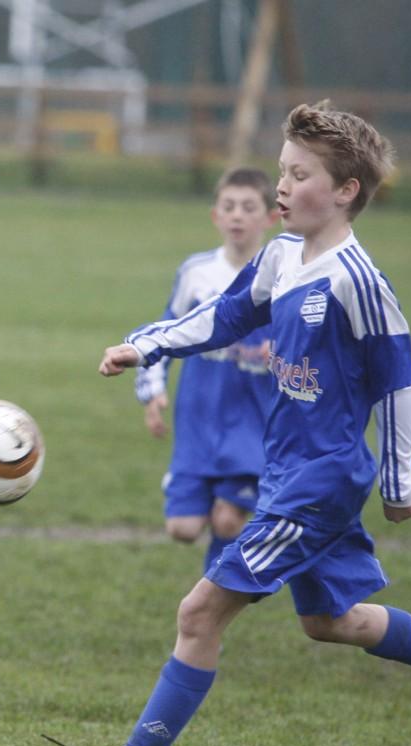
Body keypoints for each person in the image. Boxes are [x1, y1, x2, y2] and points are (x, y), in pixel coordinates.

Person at [38, 101, 411, 746]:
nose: (282, 185)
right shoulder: (281, 256)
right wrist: (147, 345)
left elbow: (399, 377)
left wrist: (401, 479)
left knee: (200, 614)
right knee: (330, 622)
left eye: (299, 174)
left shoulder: (357, 282)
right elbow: (227, 314)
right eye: (282, 170)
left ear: (345, 192)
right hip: (287, 469)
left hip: (319, 480)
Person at [135, 168, 279, 572]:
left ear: (270, 218)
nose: (237, 216)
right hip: (198, 419)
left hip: (253, 425)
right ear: (215, 215)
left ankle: (212, 607)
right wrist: (152, 391)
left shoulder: (282, 278)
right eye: (229, 207)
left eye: (248, 208)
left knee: (228, 520)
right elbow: (165, 330)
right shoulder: (197, 273)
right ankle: (220, 591)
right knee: (182, 528)